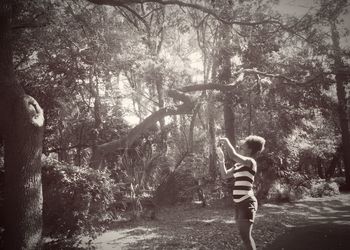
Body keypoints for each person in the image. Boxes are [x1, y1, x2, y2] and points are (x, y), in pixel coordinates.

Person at [217, 135, 265, 250]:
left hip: (247, 202)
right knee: (245, 237)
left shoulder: (251, 162)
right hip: (239, 204)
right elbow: (225, 175)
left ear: (250, 149)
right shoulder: (238, 165)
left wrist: (226, 140)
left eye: (245, 143)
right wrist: (221, 159)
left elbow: (233, 155)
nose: (242, 144)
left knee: (246, 237)